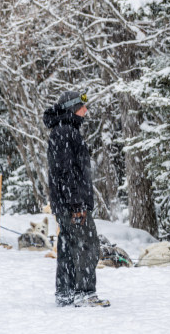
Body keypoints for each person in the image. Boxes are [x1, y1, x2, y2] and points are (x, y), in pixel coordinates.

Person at [43, 89, 110, 308]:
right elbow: (64, 172)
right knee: (87, 244)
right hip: (72, 203)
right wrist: (76, 204)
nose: (86, 110)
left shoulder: (63, 130)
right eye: (82, 107)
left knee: (67, 245)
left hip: (66, 202)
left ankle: (65, 293)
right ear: (72, 108)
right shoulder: (65, 132)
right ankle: (85, 293)